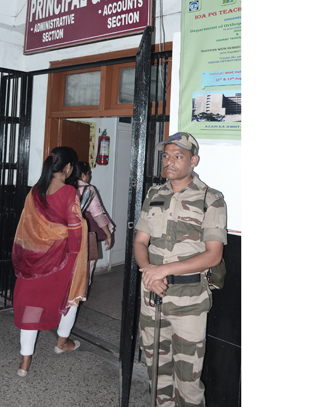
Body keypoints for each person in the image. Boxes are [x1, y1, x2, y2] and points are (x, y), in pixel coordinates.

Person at [133, 132, 227, 407]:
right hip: (153, 295)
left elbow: (213, 255)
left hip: (189, 300)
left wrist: (163, 270)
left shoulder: (211, 198)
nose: (169, 162)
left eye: (178, 156)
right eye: (166, 156)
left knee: (188, 379)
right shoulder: (155, 194)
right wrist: (149, 270)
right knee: (157, 373)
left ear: (193, 160)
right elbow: (140, 241)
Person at [11, 147, 88, 377]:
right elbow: (74, 230)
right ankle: (61, 343)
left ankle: (25, 361)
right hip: (63, 258)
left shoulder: (34, 191)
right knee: (70, 298)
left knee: (31, 304)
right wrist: (76, 256)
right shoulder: (68, 192)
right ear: (67, 168)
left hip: (34, 259)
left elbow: (27, 227)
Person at [71, 161, 113, 286]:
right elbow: (98, 215)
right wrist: (108, 234)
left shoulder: (66, 187)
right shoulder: (89, 189)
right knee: (87, 263)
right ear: (83, 175)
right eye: (89, 174)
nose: (89, 177)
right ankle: (80, 293)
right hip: (85, 233)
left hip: (68, 233)